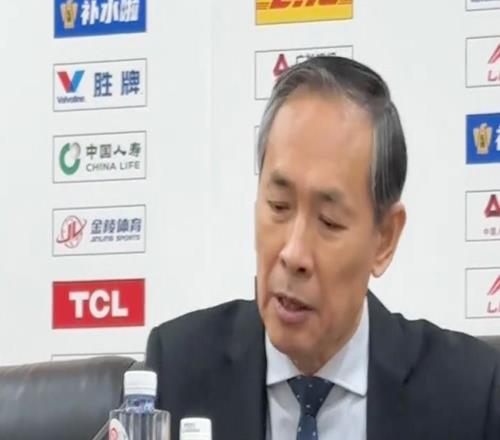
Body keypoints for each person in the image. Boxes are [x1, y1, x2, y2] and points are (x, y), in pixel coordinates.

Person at [146, 56, 500, 440]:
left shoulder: (471, 397)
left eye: (329, 221)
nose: (293, 253)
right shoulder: (175, 373)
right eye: (278, 206)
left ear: (384, 239)